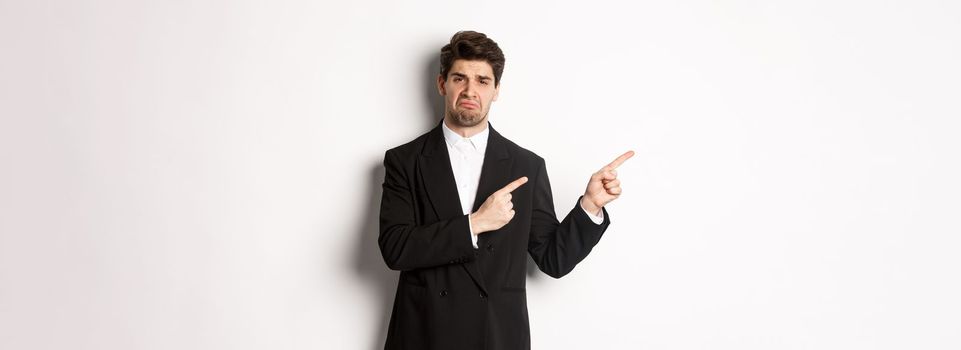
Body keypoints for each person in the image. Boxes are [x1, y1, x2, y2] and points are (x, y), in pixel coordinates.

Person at [378, 30, 633, 350]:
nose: (471, 90)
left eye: (483, 81)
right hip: (424, 333)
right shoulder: (405, 160)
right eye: (460, 78)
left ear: (496, 90)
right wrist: (475, 224)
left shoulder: (526, 166)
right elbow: (395, 248)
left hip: (496, 336)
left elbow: (553, 260)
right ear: (442, 84)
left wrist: (590, 206)